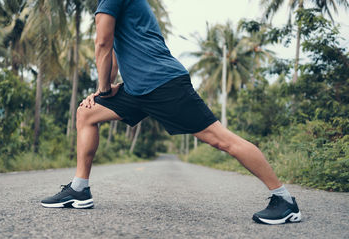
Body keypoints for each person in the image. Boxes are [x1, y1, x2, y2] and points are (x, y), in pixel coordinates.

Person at [41, 0, 302, 225]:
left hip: (163, 84)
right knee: (86, 113)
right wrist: (105, 90)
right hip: (136, 89)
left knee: (220, 139)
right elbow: (114, 52)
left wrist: (103, 87)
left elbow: (102, 42)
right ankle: (79, 189)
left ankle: (285, 200)